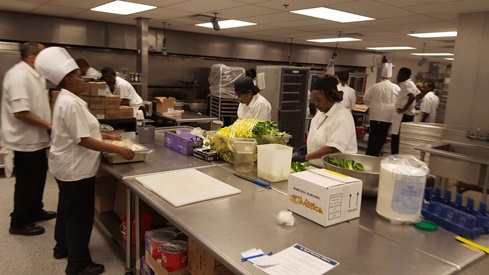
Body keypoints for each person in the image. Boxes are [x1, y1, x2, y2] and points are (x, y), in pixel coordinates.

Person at [35, 47, 135, 275]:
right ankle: (78, 263)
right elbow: (83, 140)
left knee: (66, 209)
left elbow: (82, 130)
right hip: (76, 169)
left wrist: (108, 135)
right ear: (69, 80)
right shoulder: (70, 103)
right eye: (79, 76)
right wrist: (116, 148)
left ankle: (62, 247)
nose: (83, 80)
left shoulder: (66, 99)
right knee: (79, 216)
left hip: (65, 167)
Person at [1, 41, 56, 236]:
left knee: (38, 177)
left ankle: (35, 209)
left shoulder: (37, 75)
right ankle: (19, 221)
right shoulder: (18, 76)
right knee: (26, 182)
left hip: (37, 138)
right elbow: (21, 112)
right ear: (32, 58)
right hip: (23, 140)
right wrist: (50, 125)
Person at [292, 77, 357, 167]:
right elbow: (320, 135)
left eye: (318, 100)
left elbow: (333, 148)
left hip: (335, 170)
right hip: (317, 167)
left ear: (330, 96)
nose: (316, 104)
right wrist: (309, 146)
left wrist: (305, 157)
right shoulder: (321, 112)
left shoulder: (341, 117)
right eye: (314, 100)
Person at [363, 63, 400, 157]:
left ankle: (369, 152)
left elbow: (365, 99)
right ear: (390, 77)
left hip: (374, 114)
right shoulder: (395, 87)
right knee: (382, 135)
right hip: (387, 115)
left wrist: (371, 105)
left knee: (373, 133)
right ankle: (376, 152)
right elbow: (399, 101)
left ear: (381, 76)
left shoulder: (375, 86)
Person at [391, 67, 420, 155]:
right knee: (402, 137)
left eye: (399, 75)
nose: (397, 77)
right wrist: (413, 105)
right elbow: (419, 94)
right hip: (408, 114)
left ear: (405, 75)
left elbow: (412, 97)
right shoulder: (411, 83)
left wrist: (404, 108)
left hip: (403, 115)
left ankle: (395, 156)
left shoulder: (406, 84)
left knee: (397, 137)